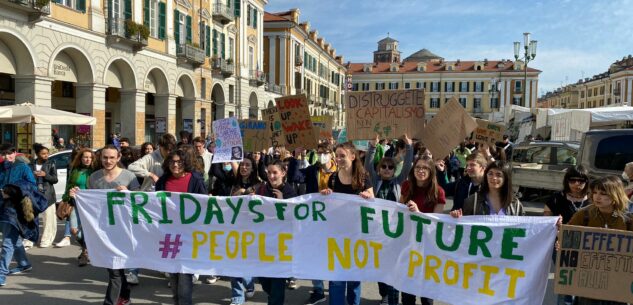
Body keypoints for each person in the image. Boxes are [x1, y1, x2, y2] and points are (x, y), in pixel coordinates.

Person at [69, 145, 140, 305]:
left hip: (124, 230)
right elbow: (89, 204)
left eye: (112, 158)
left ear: (118, 158)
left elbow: (140, 203)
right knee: (115, 268)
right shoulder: (93, 178)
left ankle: (110, 302)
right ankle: (125, 297)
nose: (108, 161)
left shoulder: (129, 176)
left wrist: (129, 194)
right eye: (105, 157)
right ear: (100, 158)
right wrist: (75, 196)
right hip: (103, 230)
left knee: (116, 269)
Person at [320, 141, 373, 305]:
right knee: (336, 278)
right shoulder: (333, 178)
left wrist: (368, 197)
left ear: (352, 156)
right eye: (337, 156)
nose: (339, 159)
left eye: (342, 156)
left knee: (354, 278)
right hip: (337, 235)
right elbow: (328, 204)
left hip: (357, 235)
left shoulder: (364, 177)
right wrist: (326, 194)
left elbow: (373, 199)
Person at [566, 175, 632, 305]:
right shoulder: (584, 214)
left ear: (615, 194)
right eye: (594, 192)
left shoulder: (628, 219)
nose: (597, 197)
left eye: (603, 193)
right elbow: (568, 239)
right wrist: (561, 242)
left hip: (617, 284)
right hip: (589, 281)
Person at [155, 149, 207, 305]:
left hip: (189, 236)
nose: (175, 165)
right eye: (172, 162)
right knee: (174, 278)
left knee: (184, 280)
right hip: (169, 235)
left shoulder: (196, 180)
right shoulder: (163, 181)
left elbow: (204, 205)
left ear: (186, 163)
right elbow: (154, 204)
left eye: (179, 162)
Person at [366, 134, 413, 305]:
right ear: (379, 170)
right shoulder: (375, 181)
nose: (386, 169)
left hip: (395, 231)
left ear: (394, 170)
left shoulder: (398, 182)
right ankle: (384, 294)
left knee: (394, 265)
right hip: (377, 231)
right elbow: (367, 165)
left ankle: (393, 297)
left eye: (390, 167)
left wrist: (409, 147)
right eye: (383, 167)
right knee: (381, 265)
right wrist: (372, 146)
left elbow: (407, 166)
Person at [400, 156, 444, 305]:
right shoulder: (406, 186)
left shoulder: (439, 192)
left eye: (425, 168)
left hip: (427, 245)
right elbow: (398, 210)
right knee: (407, 290)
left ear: (431, 171)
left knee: (426, 292)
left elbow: (436, 223)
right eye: (418, 167)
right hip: (407, 242)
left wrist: (418, 213)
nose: (420, 170)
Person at [544, 165, 590, 305]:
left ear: (586, 182)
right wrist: (554, 224)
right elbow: (546, 221)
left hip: (587, 247)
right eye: (572, 180)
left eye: (581, 180)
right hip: (561, 245)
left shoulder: (594, 198)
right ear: (566, 181)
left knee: (584, 281)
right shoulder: (556, 198)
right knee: (566, 282)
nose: (577, 184)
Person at [254, 159, 298, 305]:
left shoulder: (289, 191)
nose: (271, 176)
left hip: (282, 247)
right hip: (264, 243)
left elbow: (294, 218)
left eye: (275, 173)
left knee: (277, 283)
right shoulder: (261, 189)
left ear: (283, 173)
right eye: (269, 173)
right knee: (264, 280)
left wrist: (282, 202)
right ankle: (273, 297)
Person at [0, 143, 37, 287]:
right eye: (3, 154)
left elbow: (32, 186)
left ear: (15, 153)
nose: (6, 156)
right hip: (2, 208)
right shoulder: (1, 167)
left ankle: (1, 274)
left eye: (9, 153)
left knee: (8, 242)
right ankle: (24, 263)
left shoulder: (23, 167)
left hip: (16, 211)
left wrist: (12, 191)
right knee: (12, 239)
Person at [228, 156, 259, 305]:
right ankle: (237, 296)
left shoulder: (260, 185)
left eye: (247, 165)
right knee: (234, 261)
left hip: (252, 229)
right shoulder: (233, 183)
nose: (244, 167)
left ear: (253, 168)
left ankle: (249, 281)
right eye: (242, 165)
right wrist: (238, 193)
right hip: (235, 227)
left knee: (246, 261)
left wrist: (250, 195)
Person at [451, 160, 525, 217]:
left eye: (498, 175)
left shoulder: (515, 204)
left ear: (506, 178)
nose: (494, 178)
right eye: (490, 174)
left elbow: (523, 229)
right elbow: (464, 227)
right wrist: (457, 218)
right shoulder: (473, 201)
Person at [61, 148, 96, 266]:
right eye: (85, 157)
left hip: (91, 205)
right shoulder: (75, 170)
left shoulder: (95, 172)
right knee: (74, 230)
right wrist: (67, 196)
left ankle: (85, 253)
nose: (88, 159)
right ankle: (88, 249)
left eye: (90, 157)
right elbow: (69, 185)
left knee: (87, 229)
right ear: (80, 158)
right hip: (75, 203)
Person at [29, 144, 58, 248]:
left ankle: (46, 240)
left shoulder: (51, 163)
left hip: (47, 195)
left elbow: (55, 179)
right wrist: (33, 175)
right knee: (31, 218)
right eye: (43, 154)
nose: (46, 155)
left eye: (47, 153)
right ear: (37, 154)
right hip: (33, 194)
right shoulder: (31, 164)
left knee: (48, 218)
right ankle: (30, 240)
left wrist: (45, 175)